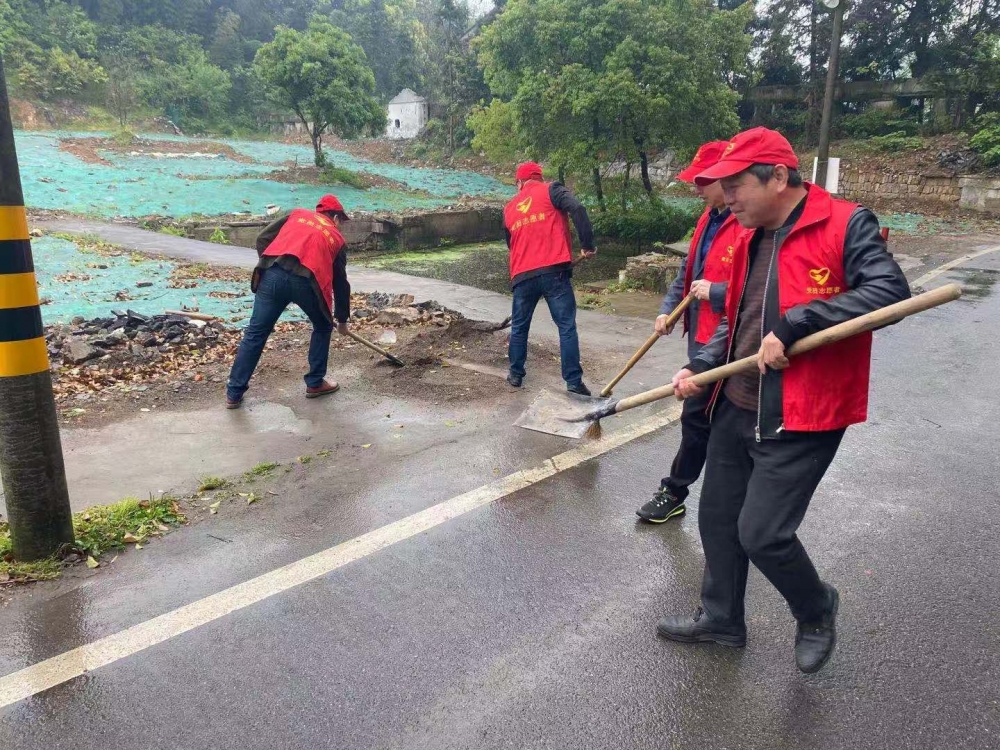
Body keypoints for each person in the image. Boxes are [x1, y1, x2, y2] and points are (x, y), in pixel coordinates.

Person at [655, 127, 910, 674]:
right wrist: (700, 367)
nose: (727, 198)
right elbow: (738, 322)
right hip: (736, 399)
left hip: (803, 412)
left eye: (736, 185)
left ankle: (816, 609)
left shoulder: (844, 224)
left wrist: (802, 320)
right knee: (719, 520)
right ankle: (722, 619)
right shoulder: (749, 235)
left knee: (763, 533)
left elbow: (889, 291)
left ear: (777, 176)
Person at [636, 141, 747, 524]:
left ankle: (675, 491)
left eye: (703, 180)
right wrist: (668, 309)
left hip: (739, 337)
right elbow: (688, 272)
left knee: (704, 416)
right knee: (700, 414)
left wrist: (717, 292)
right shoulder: (708, 217)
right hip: (702, 335)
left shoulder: (747, 223)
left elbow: (762, 290)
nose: (696, 187)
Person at [226, 194, 352, 408]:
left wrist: (271, 262)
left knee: (255, 333)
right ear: (336, 217)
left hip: (272, 274)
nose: (340, 227)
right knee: (323, 326)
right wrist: (341, 320)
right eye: (341, 222)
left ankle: (234, 393)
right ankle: (315, 382)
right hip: (306, 281)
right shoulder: (336, 238)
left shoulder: (297, 215)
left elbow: (262, 239)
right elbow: (340, 283)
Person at [503, 162, 596, 395]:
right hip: (554, 270)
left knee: (520, 327)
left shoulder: (509, 208)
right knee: (565, 326)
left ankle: (515, 374)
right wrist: (587, 244)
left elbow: (510, 244)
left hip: (522, 275)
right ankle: (573, 382)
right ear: (539, 177)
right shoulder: (552, 190)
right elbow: (578, 208)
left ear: (519, 183)